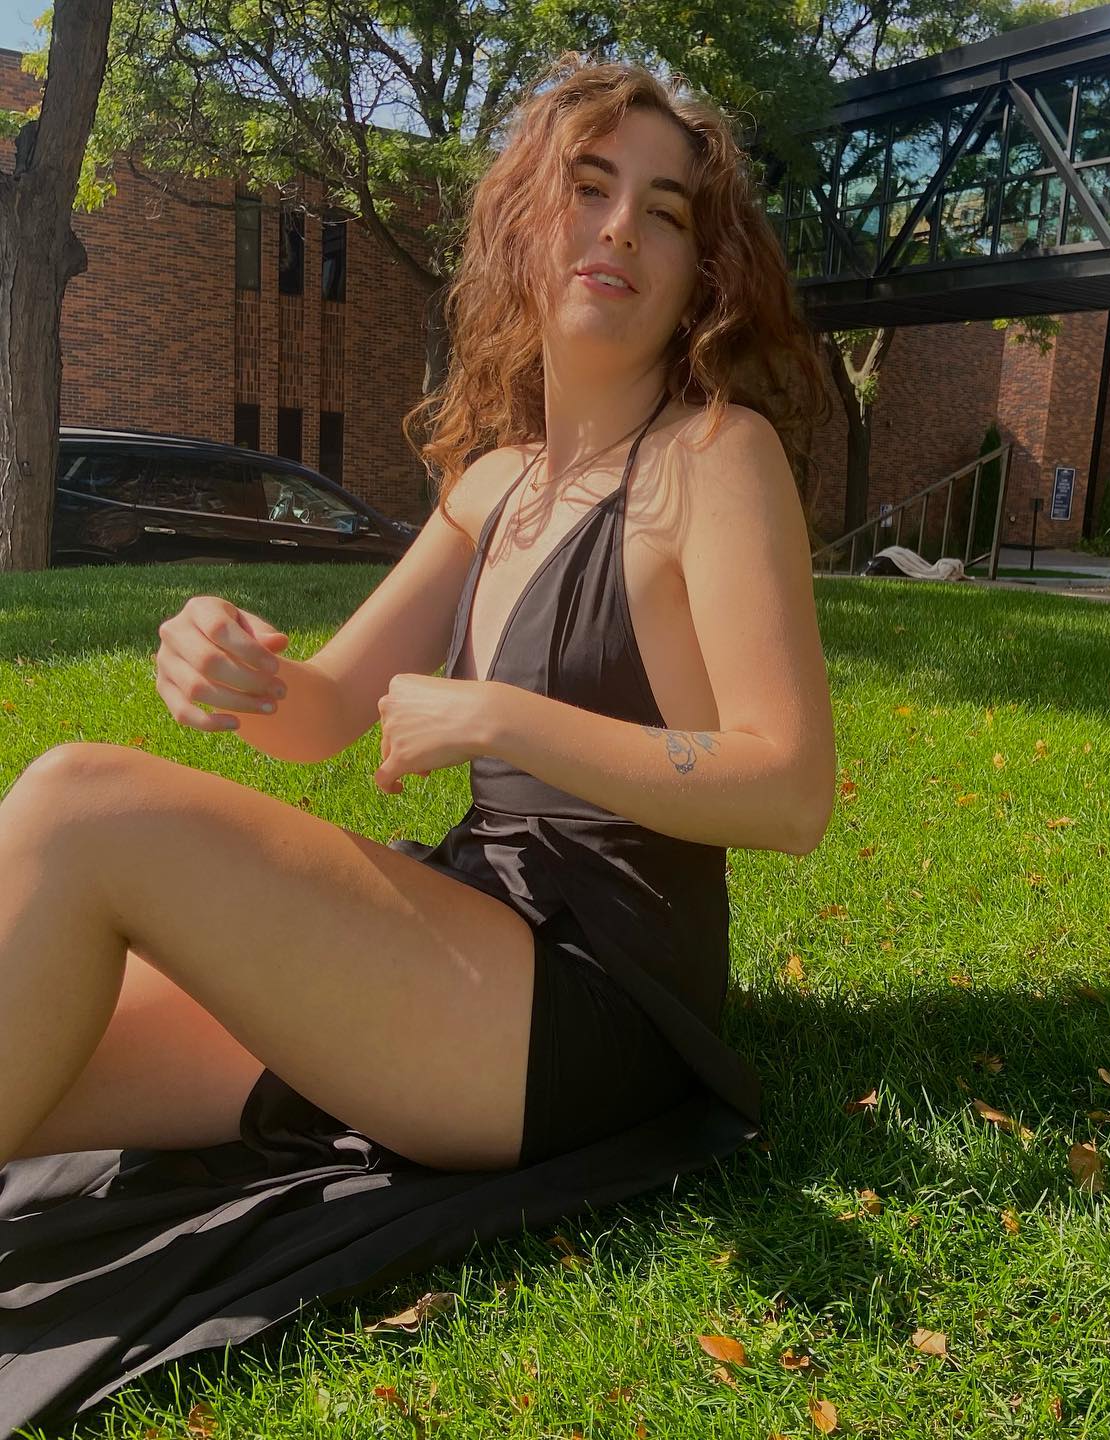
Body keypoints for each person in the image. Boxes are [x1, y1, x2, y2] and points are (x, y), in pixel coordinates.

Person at [0, 51, 836, 1432]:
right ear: (524, 224)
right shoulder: (496, 482)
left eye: (666, 210)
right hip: (460, 935)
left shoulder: (715, 460)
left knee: (78, 806)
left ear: (700, 272)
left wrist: (508, 720)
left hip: (594, 1004)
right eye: (587, 187)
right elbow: (324, 706)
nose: (622, 225)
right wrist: (228, 657)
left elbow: (790, 787)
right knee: (43, 1060)